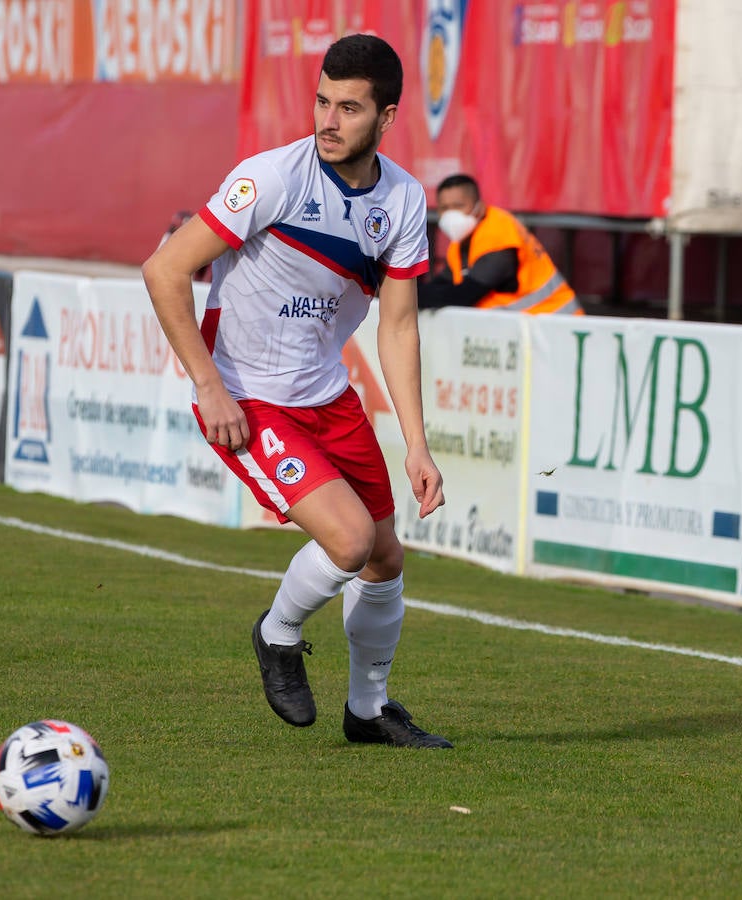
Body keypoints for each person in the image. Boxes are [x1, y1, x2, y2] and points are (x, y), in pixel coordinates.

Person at [142, 34, 452, 748]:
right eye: (321, 101)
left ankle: (368, 711)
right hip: (247, 398)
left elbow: (398, 328)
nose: (328, 120)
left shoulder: (402, 199)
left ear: (388, 117)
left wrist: (417, 445)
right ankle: (277, 633)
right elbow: (165, 271)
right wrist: (209, 386)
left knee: (384, 555)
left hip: (327, 395)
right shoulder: (273, 178)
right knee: (348, 542)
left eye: (349, 107)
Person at [417, 173, 584, 314]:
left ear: (479, 207)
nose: (451, 214)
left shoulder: (498, 234)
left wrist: (410, 297)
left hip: (559, 325)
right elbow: (444, 283)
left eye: (458, 206)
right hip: (527, 331)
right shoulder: (459, 244)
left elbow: (464, 295)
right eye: (444, 208)